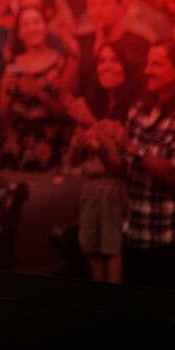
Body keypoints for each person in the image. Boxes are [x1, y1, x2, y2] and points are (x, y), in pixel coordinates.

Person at [121, 40, 175, 290]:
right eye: (147, 63)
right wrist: (102, 141)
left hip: (168, 235)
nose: (147, 70)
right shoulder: (139, 109)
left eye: (156, 64)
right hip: (133, 231)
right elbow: (121, 169)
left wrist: (134, 149)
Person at [65, 43, 138, 284]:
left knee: (113, 253)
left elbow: (121, 164)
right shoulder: (93, 104)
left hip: (116, 190)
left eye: (114, 60)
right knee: (92, 256)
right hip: (91, 189)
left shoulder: (134, 108)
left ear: (126, 67)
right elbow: (71, 161)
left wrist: (91, 123)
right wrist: (79, 143)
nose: (107, 66)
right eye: (102, 61)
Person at [0, 6, 78, 171]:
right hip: (16, 147)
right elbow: (2, 114)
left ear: (45, 27)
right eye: (25, 24)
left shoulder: (62, 63)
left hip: (50, 147)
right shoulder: (12, 66)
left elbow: (65, 113)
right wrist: (6, 94)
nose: (31, 28)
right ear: (19, 33)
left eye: (36, 22)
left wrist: (38, 92)